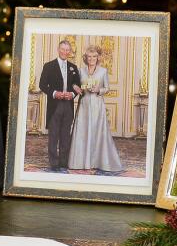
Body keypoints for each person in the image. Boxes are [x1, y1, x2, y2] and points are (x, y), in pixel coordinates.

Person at [67, 45, 124, 175]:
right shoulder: (80, 71)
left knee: (97, 132)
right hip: (84, 105)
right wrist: (76, 87)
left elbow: (107, 88)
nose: (91, 59)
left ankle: (97, 161)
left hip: (98, 106)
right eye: (89, 56)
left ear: (98, 58)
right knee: (82, 132)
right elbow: (74, 83)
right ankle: (80, 162)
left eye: (94, 56)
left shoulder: (103, 71)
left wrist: (98, 90)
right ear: (85, 58)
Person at [38, 40, 81, 171]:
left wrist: (72, 95)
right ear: (58, 49)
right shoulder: (49, 66)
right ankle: (54, 162)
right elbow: (42, 85)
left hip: (68, 105)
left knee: (65, 135)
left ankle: (63, 161)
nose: (65, 52)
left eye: (68, 50)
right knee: (54, 134)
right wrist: (55, 93)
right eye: (63, 49)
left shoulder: (73, 67)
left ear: (70, 52)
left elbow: (77, 85)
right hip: (54, 105)